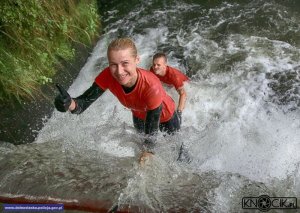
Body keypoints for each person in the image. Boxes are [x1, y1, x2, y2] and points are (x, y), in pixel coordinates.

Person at [54, 38, 180, 161]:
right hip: (139, 115)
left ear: (136, 60)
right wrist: (69, 104)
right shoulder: (108, 75)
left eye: (125, 63)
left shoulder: (151, 85)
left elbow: (151, 134)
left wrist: (148, 152)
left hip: (165, 116)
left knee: (176, 151)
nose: (119, 72)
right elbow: (82, 104)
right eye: (113, 65)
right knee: (140, 153)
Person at [150, 53, 189, 124]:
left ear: (165, 65)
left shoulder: (174, 76)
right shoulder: (152, 70)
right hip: (169, 85)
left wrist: (179, 113)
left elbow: (183, 94)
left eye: (158, 65)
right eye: (154, 64)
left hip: (186, 85)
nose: (155, 67)